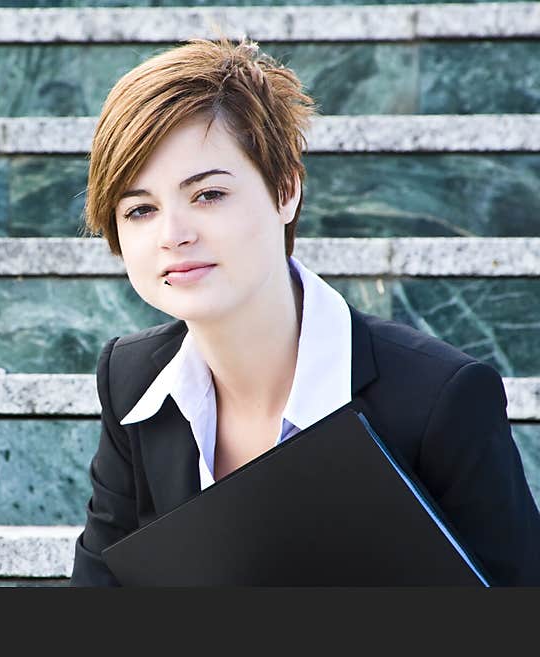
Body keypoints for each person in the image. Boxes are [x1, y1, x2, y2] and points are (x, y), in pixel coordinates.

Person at [69, 36, 540, 586]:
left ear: (286, 189)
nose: (173, 235)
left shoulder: (440, 401)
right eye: (140, 209)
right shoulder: (131, 379)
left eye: (208, 195)